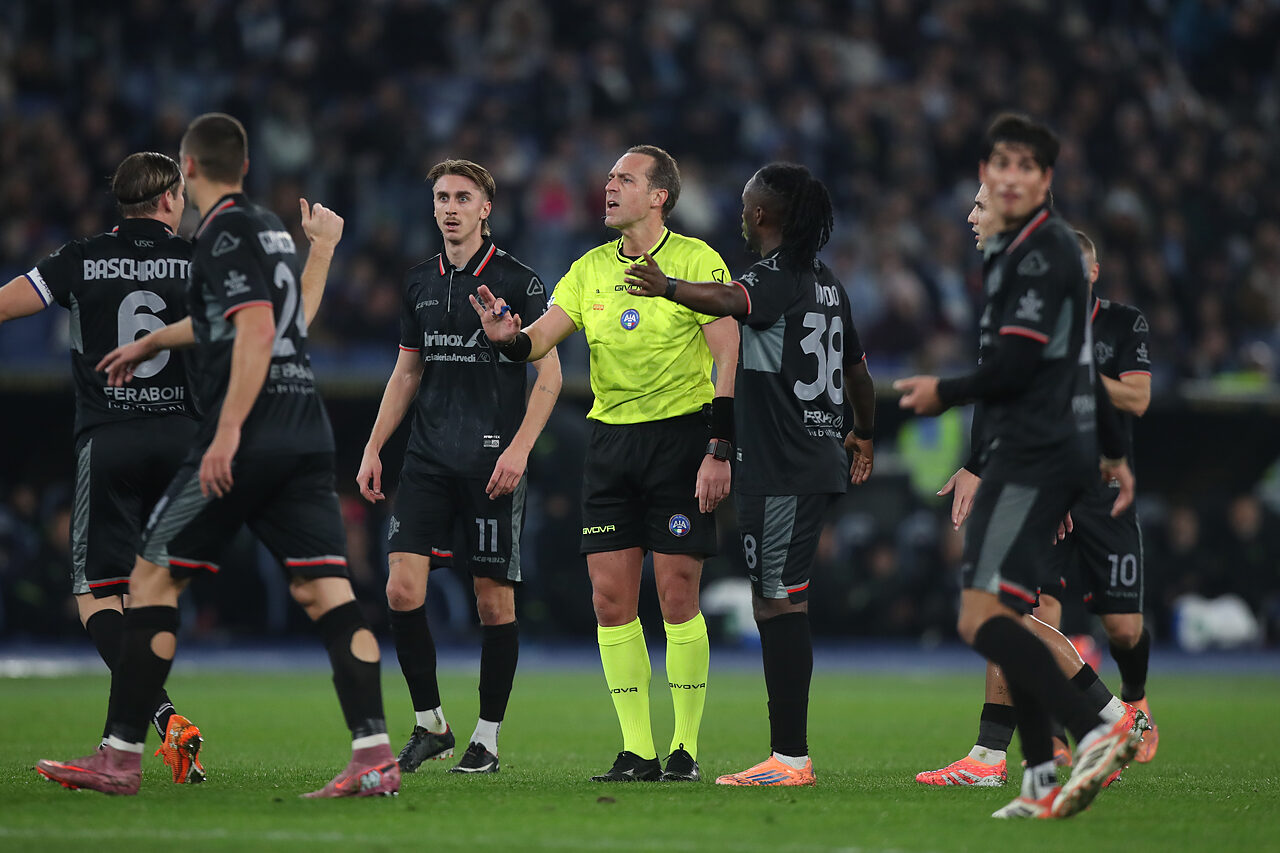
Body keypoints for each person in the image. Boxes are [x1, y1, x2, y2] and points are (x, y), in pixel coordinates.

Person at [35, 112, 398, 798]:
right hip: (306, 432)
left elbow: (256, 330)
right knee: (327, 591)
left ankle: (119, 756)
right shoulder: (265, 229)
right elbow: (280, 321)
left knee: (147, 582)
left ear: (190, 170)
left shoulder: (222, 232)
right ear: (247, 167)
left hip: (248, 435)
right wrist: (154, 341)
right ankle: (374, 753)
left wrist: (227, 432)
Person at [896, 114, 1142, 820]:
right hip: (1039, 450)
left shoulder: (1040, 255)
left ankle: (1099, 720)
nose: (1002, 180)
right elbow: (1081, 370)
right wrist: (1113, 451)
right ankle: (1038, 772)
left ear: (1044, 180)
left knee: (985, 617)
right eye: (994, 166)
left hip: (1036, 452)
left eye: (1022, 166)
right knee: (1004, 610)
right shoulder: (1017, 255)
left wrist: (945, 392)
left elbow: (1018, 366)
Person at [471, 145, 738, 783]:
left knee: (677, 596)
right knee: (611, 599)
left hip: (681, 442)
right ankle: (637, 750)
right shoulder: (589, 269)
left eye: (625, 179)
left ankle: (685, 749)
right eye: (610, 177)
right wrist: (510, 342)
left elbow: (727, 358)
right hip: (611, 446)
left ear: (659, 197)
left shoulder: (697, 262)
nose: (609, 186)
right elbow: (541, 337)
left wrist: (719, 449)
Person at [623, 162, 876, 786]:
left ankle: (790, 759)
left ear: (764, 214)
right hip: (806, 457)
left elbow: (729, 300)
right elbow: (860, 374)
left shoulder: (776, 276)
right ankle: (787, 755)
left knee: (780, 604)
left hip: (785, 464)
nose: (741, 212)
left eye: (747, 203)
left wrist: (669, 286)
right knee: (776, 602)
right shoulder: (827, 284)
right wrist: (863, 431)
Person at [0, 152, 204, 783]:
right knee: (155, 595)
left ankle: (161, 721)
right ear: (170, 200)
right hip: (184, 442)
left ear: (122, 202)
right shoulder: (199, 260)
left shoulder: (79, 258)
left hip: (110, 437)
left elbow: (7, 304)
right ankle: (138, 733)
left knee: (97, 595)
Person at [357, 159, 561, 775]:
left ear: (485, 208)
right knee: (399, 588)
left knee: (493, 605)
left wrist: (520, 449)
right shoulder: (419, 281)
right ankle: (430, 724)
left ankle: (488, 738)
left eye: (462, 197)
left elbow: (549, 375)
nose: (449, 207)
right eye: (442, 197)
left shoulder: (519, 282)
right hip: (426, 459)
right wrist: (373, 446)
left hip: (492, 462)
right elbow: (408, 371)